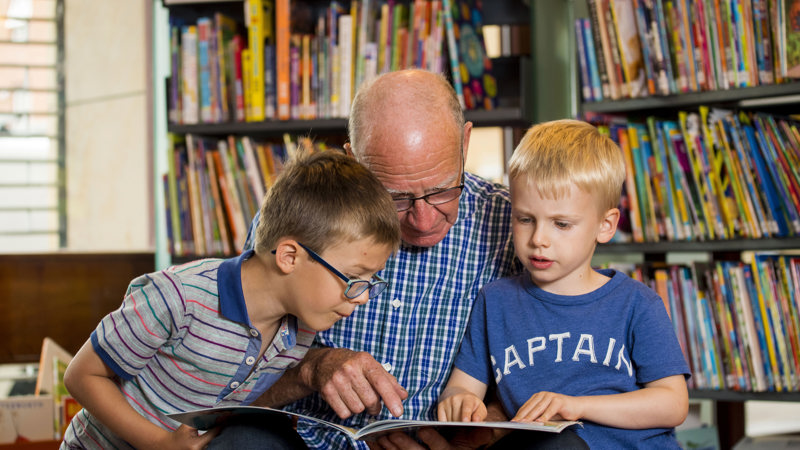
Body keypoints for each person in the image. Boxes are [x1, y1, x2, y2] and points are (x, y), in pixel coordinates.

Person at [243, 69, 521, 449]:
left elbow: (552, 371)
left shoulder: (519, 230)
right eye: (396, 198)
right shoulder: (296, 222)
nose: (423, 221)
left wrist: (485, 430)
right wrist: (314, 368)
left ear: (465, 142)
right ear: (354, 160)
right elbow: (233, 374)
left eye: (442, 191)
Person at [60, 150, 401, 449]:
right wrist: (158, 443)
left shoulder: (299, 332)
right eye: (354, 279)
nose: (364, 297)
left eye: (372, 281)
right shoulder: (179, 297)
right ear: (290, 257)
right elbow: (81, 376)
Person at [437, 119, 691, 448]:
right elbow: (463, 387)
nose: (539, 239)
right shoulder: (495, 301)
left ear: (605, 224)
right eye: (525, 219)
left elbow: (672, 404)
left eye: (561, 224)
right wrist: (461, 402)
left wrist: (575, 406)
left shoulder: (637, 304)